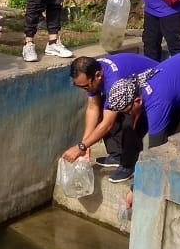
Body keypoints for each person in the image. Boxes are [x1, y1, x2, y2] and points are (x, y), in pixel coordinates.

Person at [101, 50, 180, 181]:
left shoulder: (157, 102)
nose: (126, 114)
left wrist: (138, 187)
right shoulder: (137, 84)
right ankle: (128, 166)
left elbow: (156, 150)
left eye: (126, 110)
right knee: (136, 123)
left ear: (137, 101)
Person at [61, 54, 158, 184]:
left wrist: (81, 147)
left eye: (85, 86)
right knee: (104, 106)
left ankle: (128, 165)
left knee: (128, 116)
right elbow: (93, 108)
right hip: (128, 87)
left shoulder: (113, 80)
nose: (84, 90)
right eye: (80, 87)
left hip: (153, 88)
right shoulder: (94, 73)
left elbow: (107, 123)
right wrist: (86, 144)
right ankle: (116, 155)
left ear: (98, 76)